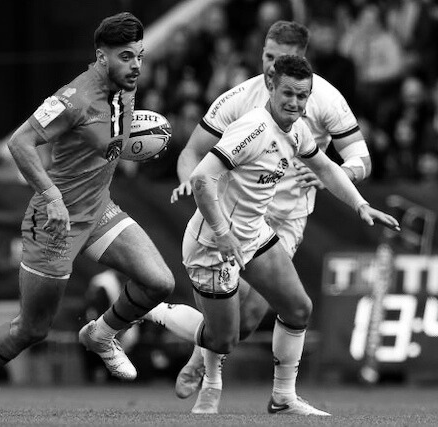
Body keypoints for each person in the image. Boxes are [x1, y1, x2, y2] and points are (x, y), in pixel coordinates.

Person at [0, 12, 176, 416]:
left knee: (158, 282)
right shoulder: (74, 97)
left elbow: (112, 137)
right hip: (55, 222)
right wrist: (50, 196)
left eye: (140, 55)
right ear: (101, 58)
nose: (136, 65)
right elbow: (20, 143)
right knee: (33, 329)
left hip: (99, 209)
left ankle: (102, 334)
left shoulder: (126, 86)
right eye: (126, 57)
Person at [168, 20, 376, 411]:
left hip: (276, 223)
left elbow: (347, 162)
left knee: (272, 315)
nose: (269, 67)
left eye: (279, 60)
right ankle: (201, 362)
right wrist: (193, 189)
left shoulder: (314, 108)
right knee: (227, 332)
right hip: (223, 229)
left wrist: (357, 199)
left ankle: (280, 395)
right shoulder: (244, 109)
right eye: (267, 57)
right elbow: (196, 163)